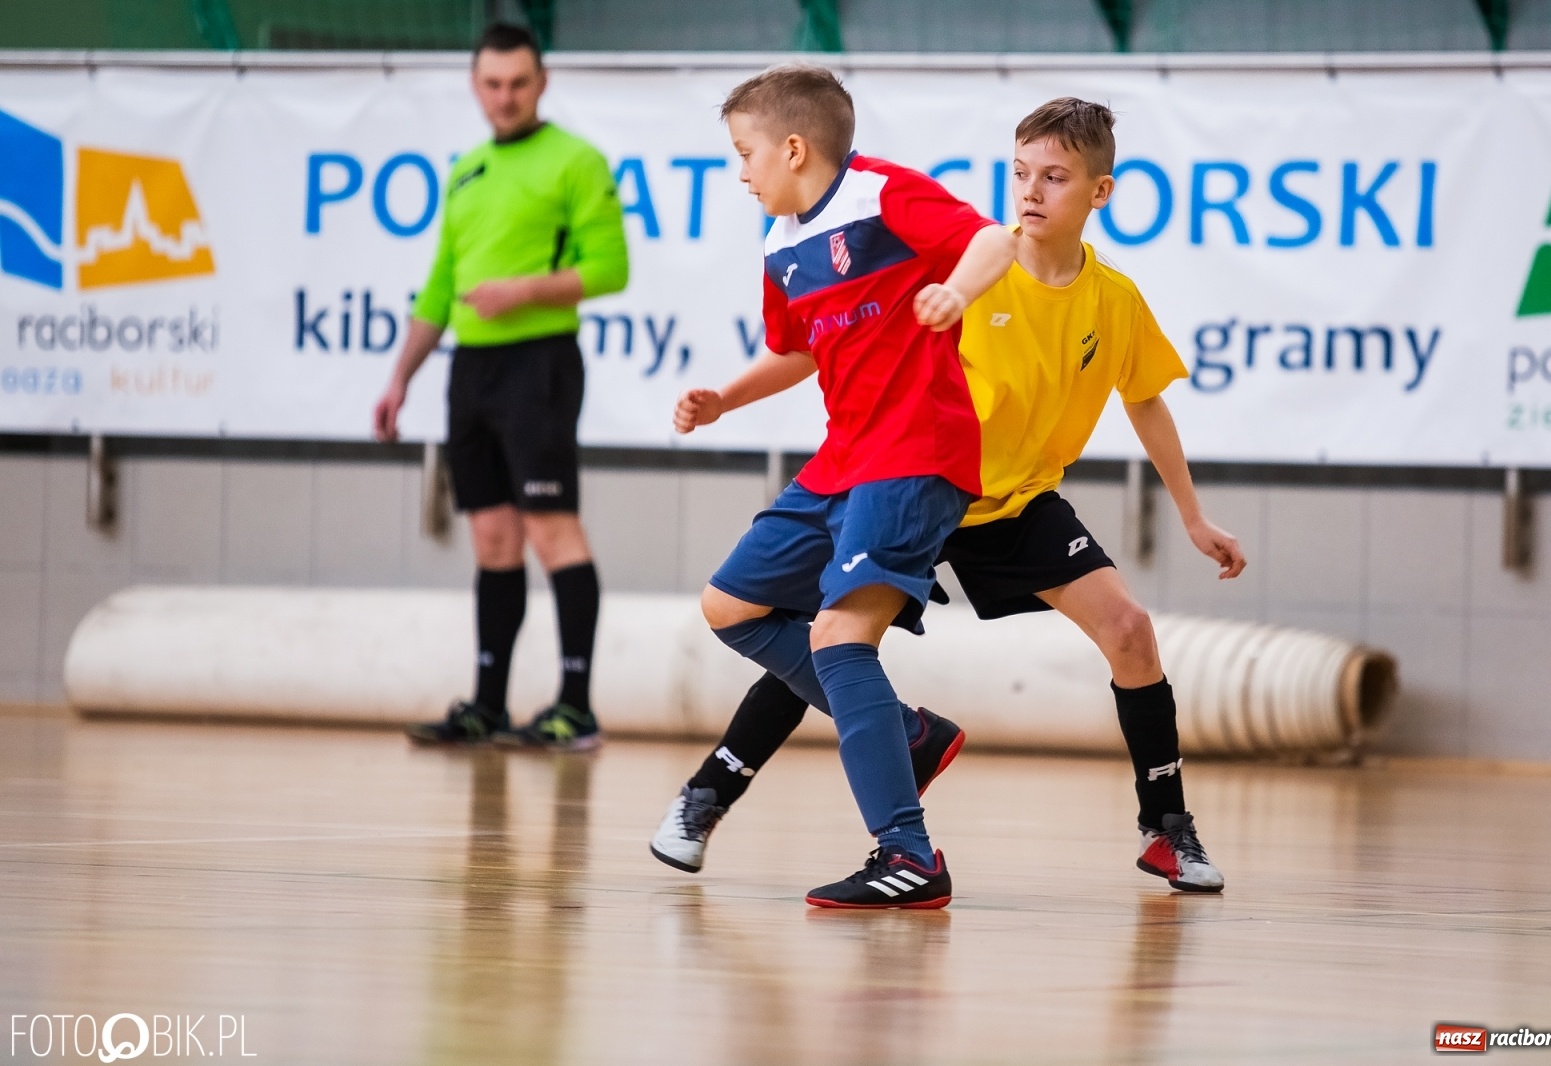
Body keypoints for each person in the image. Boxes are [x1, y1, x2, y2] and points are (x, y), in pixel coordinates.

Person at [652, 97, 1245, 894]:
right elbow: (834, 341)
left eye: (1055, 177)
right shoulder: (964, 272)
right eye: (1020, 173)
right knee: (825, 630)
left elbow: (1145, 400)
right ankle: (710, 796)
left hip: (1011, 502)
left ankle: (1167, 828)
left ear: (1099, 192)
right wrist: (730, 395)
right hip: (923, 475)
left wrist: (1192, 514)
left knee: (1130, 630)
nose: (1032, 191)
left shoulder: (1114, 299)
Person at [671, 64, 1017, 910]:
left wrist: (953, 291)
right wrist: (726, 396)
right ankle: (905, 734)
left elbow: (994, 241)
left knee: (837, 636)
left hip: (915, 453)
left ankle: (910, 856)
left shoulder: (882, 191)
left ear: (794, 147)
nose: (741, 172)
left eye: (745, 153)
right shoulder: (780, 243)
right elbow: (795, 352)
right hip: (843, 460)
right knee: (730, 607)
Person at [373, 23, 628, 751]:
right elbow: (439, 288)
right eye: (492, 84)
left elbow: (611, 269)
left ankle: (575, 706)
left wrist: (523, 290)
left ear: (541, 83)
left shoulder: (576, 162)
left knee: (551, 530)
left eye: (518, 83)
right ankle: (487, 704)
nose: (505, 96)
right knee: (490, 537)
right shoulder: (467, 171)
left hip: (538, 362)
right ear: (475, 86)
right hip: (470, 371)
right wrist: (400, 378)